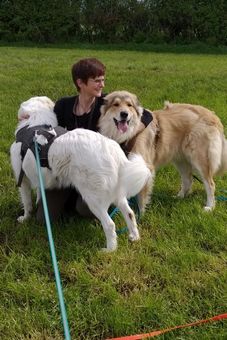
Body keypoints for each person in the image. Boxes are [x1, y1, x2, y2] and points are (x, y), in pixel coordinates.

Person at [35, 57, 153, 222]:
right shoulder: (63, 106)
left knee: (85, 209)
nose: (102, 85)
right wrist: (29, 116)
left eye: (103, 80)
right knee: (43, 217)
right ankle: (71, 197)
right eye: (97, 81)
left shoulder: (106, 105)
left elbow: (146, 115)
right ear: (80, 83)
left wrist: (129, 130)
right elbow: (48, 126)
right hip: (66, 168)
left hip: (94, 172)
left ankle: (105, 200)